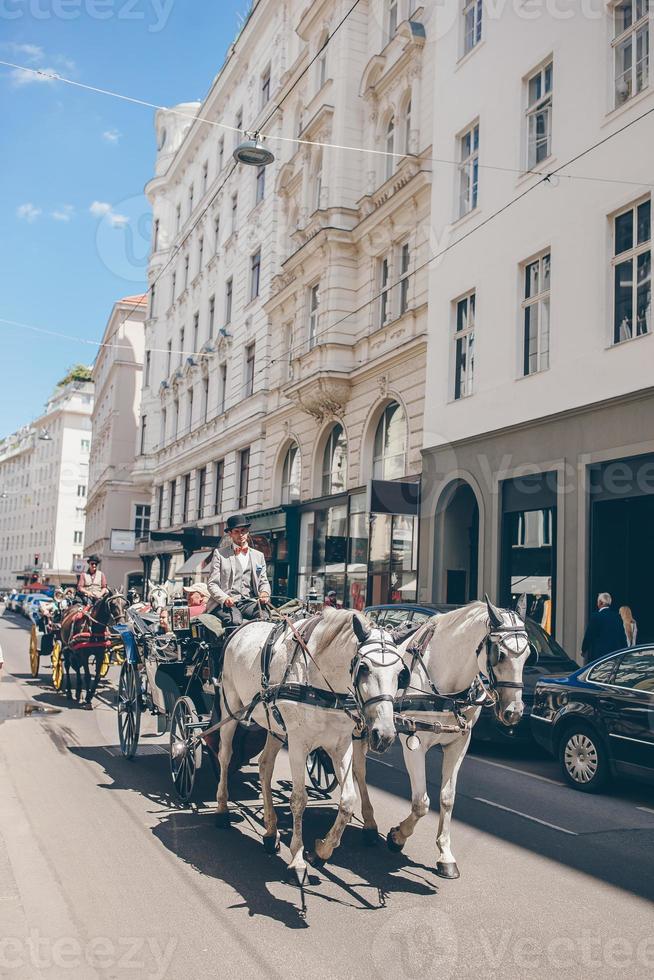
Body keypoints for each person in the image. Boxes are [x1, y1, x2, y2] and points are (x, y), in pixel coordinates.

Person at [207, 514, 271, 627]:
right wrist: (225, 598)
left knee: (264, 617)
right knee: (235, 621)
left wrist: (265, 593)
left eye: (243, 530)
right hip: (225, 604)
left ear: (248, 532)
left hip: (249, 602)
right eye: (236, 531)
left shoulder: (258, 556)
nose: (240, 534)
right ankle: (230, 645)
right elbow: (212, 584)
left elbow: (263, 581)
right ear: (230, 534)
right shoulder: (220, 554)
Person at [581, 592, 627, 664]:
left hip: (600, 656)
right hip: (614, 655)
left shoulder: (596, 616)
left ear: (600, 602)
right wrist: (625, 651)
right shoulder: (617, 617)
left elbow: (589, 635)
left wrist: (583, 650)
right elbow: (622, 636)